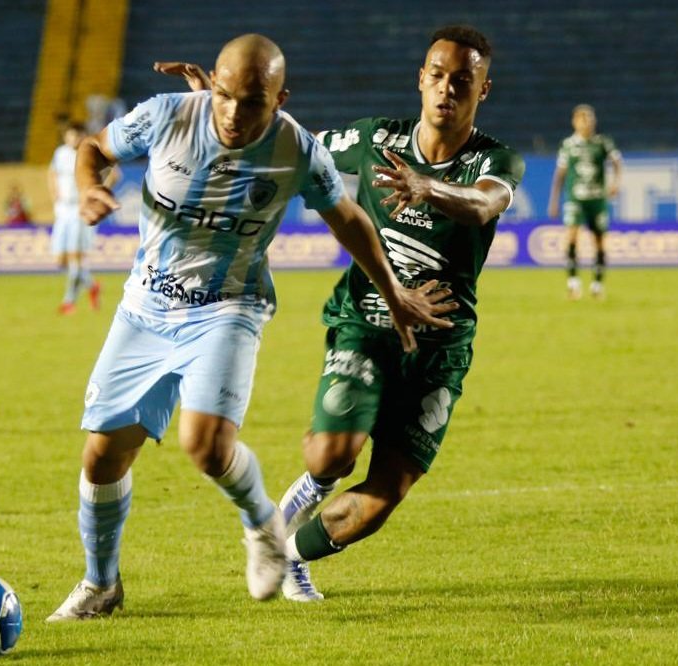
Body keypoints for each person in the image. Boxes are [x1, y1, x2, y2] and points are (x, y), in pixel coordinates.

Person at [45, 33, 458, 621]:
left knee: (204, 445)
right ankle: (101, 584)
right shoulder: (166, 115)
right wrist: (89, 188)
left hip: (228, 306)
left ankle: (263, 524)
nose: (235, 114)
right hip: (145, 306)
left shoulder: (295, 148)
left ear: (279, 99)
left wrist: (393, 292)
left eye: (253, 103)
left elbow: (348, 218)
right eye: (225, 96)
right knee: (102, 457)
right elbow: (94, 149)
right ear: (212, 83)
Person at [161, 23, 524, 603]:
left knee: (383, 497)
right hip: (366, 322)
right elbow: (286, 142)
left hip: (440, 347)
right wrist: (218, 105)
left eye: (463, 80)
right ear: (420, 80)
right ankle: (303, 496)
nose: (446, 89)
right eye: (436, 76)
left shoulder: (497, 158)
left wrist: (427, 188)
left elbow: (485, 204)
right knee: (333, 454)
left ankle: (290, 552)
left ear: (484, 90)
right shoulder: (376, 137)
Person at [547, 104, 622, 300]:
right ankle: (573, 284)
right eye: (582, 118)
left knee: (599, 243)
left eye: (589, 118)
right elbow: (560, 174)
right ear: (574, 122)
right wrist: (554, 201)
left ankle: (597, 286)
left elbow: (617, 162)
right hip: (575, 199)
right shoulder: (568, 145)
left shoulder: (603, 142)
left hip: (597, 199)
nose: (586, 122)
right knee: (571, 237)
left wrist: (616, 183)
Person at [48, 122, 110, 314]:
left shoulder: (89, 152)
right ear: (66, 137)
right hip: (62, 210)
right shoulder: (60, 153)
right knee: (59, 260)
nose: (74, 139)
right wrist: (54, 194)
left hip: (80, 209)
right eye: (71, 136)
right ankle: (92, 286)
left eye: (78, 135)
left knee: (75, 257)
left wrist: (98, 194)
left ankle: (68, 302)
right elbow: (51, 173)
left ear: (83, 136)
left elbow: (114, 173)